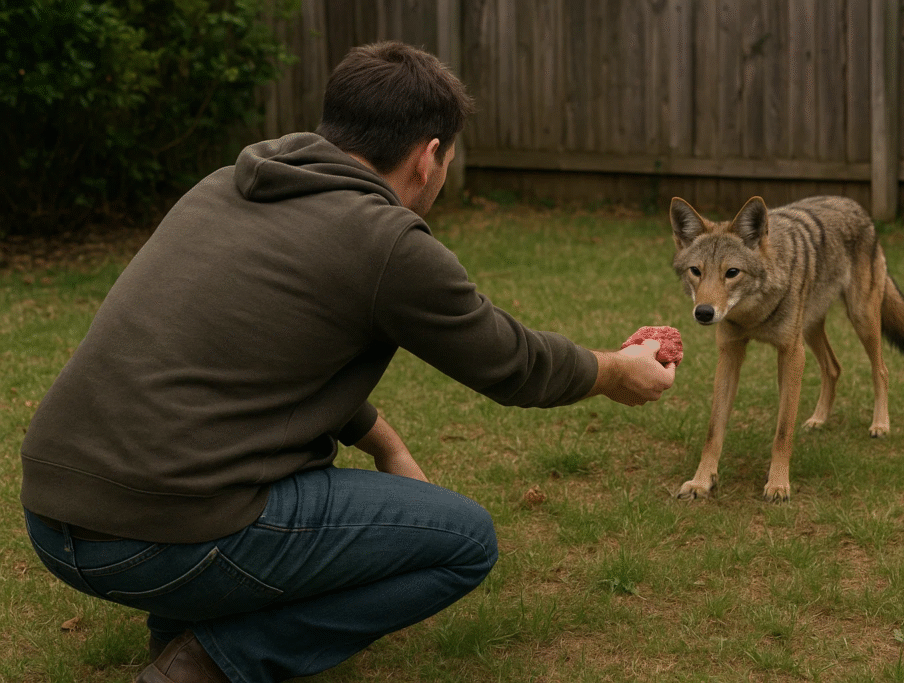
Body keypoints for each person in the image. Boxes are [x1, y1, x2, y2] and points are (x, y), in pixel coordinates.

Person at [20, 41, 676, 683]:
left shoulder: (227, 186)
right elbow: (511, 361)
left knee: (208, 475)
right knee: (464, 541)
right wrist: (619, 369)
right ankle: (211, 661)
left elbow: (258, 357)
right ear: (429, 158)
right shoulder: (384, 240)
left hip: (54, 516)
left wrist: (386, 444)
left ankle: (186, 623)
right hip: (158, 535)